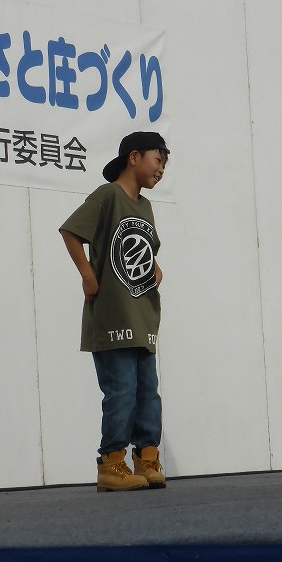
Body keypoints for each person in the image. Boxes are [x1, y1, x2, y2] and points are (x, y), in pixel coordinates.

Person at [59, 131, 170, 492]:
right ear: (134, 157)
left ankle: (147, 457)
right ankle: (111, 463)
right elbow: (71, 231)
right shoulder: (108, 195)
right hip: (113, 317)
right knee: (121, 390)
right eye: (158, 160)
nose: (162, 169)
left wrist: (155, 270)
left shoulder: (145, 207)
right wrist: (87, 274)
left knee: (148, 392)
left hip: (142, 316)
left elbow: (143, 249)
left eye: (165, 164)